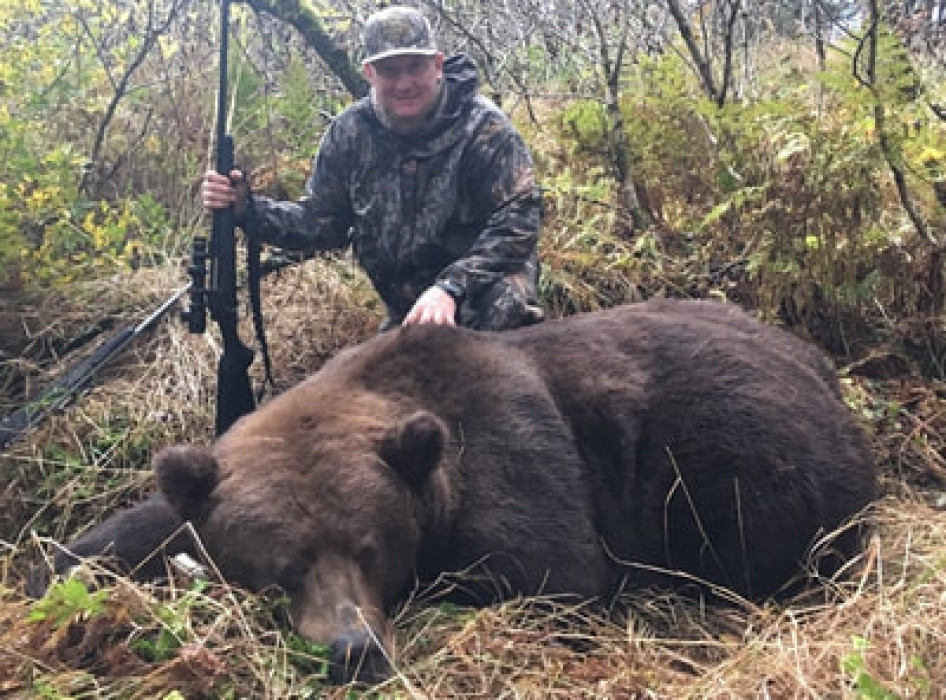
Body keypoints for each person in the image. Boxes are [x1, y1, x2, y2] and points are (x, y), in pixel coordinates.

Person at [201, 5, 544, 331]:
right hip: (407, 311)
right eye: (389, 71)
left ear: (437, 65)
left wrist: (452, 287)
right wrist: (248, 209)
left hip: (481, 292)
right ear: (369, 73)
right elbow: (322, 224)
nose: (404, 83)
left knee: (503, 313)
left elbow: (520, 220)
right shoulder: (350, 132)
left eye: (415, 67)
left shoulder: (484, 129)